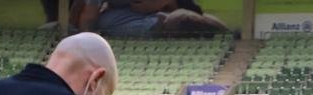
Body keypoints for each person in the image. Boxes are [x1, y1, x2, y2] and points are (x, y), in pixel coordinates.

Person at [78, 0, 228, 37]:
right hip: (129, 19)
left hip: (168, 13)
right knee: (105, 20)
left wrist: (159, 3)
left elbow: (178, 5)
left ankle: (228, 35)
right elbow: (88, 15)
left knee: (180, 17)